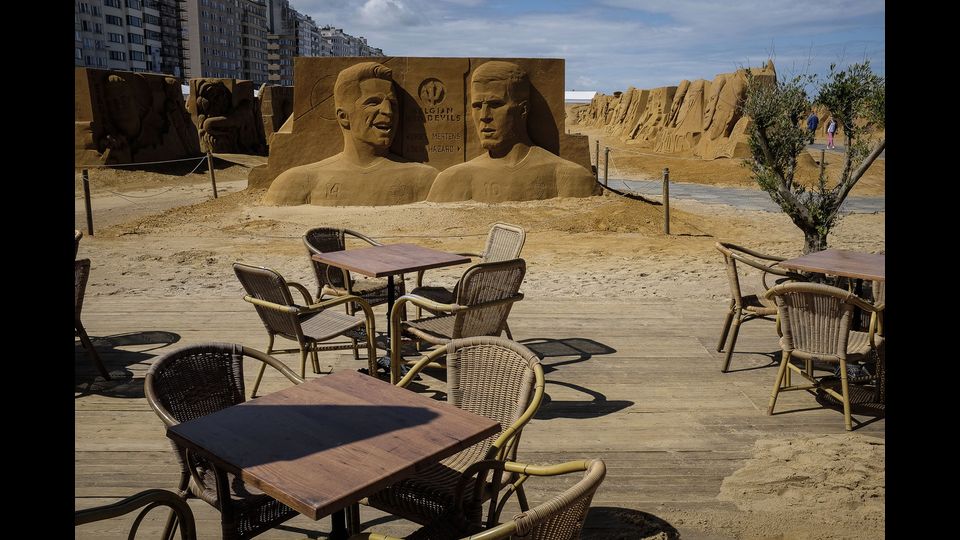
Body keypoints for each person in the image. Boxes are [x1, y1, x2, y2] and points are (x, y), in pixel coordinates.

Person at [265, 62, 438, 206]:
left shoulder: (424, 179)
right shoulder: (298, 182)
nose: (388, 111)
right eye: (373, 102)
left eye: (392, 104)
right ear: (344, 117)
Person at [426, 61, 599, 203]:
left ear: (523, 110)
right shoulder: (452, 180)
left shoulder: (568, 177)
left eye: (495, 105)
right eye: (477, 106)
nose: (484, 116)